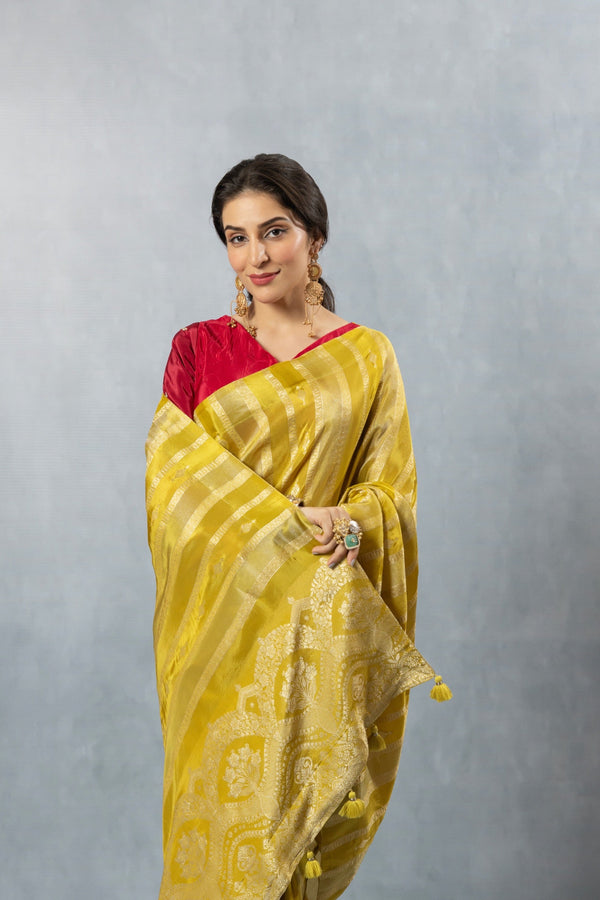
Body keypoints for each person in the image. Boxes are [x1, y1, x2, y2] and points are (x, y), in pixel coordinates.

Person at [145, 153, 450, 900]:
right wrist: (280, 526)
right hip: (225, 634)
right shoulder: (197, 350)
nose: (254, 256)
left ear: (314, 236)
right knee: (220, 831)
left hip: (320, 628)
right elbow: (172, 490)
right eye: (235, 237)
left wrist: (350, 518)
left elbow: (394, 494)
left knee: (303, 841)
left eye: (273, 232)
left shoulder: (366, 356)